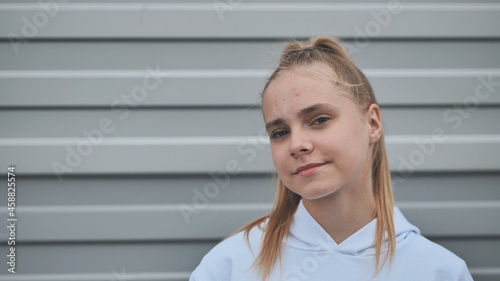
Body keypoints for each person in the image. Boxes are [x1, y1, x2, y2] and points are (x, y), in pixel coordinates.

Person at [189, 36, 473, 281]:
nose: (297, 144)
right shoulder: (228, 267)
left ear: (372, 123)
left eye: (319, 119)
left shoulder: (439, 271)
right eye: (279, 132)